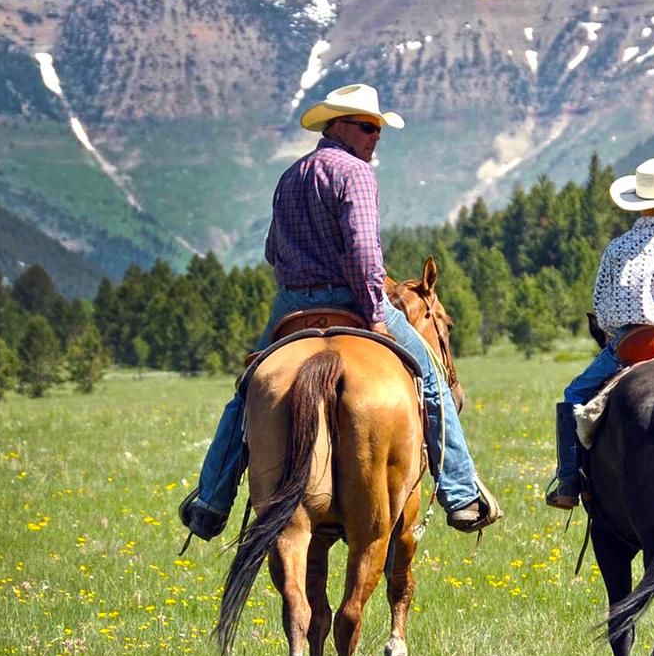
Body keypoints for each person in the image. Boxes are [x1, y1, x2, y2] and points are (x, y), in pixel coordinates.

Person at [179, 83, 502, 540]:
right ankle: (461, 492)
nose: (375, 137)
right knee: (430, 374)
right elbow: (364, 254)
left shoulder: (291, 175)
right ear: (338, 126)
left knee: (248, 390)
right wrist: (373, 314)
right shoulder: (355, 173)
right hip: (351, 299)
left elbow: (273, 249)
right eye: (367, 127)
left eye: (378, 130)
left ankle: (212, 500)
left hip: (292, 303)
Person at [545, 157, 654, 509]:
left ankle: (567, 481)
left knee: (573, 394)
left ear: (639, 203)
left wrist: (617, 330)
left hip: (629, 343)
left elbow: (602, 305)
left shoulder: (616, 248)